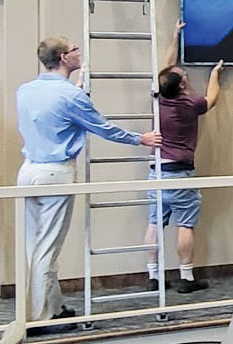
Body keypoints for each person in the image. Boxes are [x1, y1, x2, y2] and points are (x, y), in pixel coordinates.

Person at [16, 37, 161, 330]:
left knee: (34, 246)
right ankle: (44, 317)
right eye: (74, 50)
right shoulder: (71, 97)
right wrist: (140, 139)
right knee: (48, 249)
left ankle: (49, 309)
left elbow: (53, 115)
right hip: (55, 174)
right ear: (63, 58)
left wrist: (77, 89)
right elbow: (101, 127)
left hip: (28, 171)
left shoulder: (26, 90)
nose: (78, 52)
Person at [143, 20, 223, 294]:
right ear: (181, 86)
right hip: (180, 173)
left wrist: (173, 37)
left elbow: (165, 71)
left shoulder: (158, 97)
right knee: (185, 224)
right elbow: (211, 99)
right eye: (184, 78)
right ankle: (186, 277)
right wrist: (215, 74)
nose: (186, 78)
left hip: (156, 173)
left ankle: (152, 275)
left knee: (155, 222)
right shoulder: (189, 103)